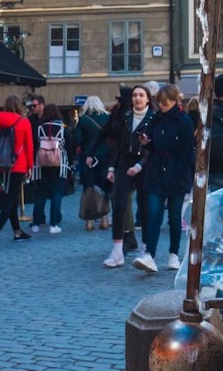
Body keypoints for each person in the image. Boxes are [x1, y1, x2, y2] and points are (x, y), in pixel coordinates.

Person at [134, 83, 195, 275]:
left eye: (165, 103)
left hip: (176, 173)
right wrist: (146, 142)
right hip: (156, 172)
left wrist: (179, 172)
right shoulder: (156, 120)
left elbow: (187, 150)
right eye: (160, 102)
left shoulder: (184, 121)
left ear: (174, 101)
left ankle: (173, 254)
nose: (162, 106)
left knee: (175, 218)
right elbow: (150, 145)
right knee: (153, 214)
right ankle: (149, 255)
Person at [102, 84, 153, 268]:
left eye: (141, 95)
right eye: (134, 95)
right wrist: (111, 168)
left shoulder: (153, 119)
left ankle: (145, 250)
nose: (137, 98)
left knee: (145, 209)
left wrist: (140, 165)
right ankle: (117, 251)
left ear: (147, 98)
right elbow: (117, 144)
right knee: (119, 205)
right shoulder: (126, 117)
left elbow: (153, 149)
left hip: (145, 165)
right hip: (124, 162)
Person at [0, 96, 32, 244]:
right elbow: (29, 146)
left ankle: (17, 232)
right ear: (19, 106)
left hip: (0, 164)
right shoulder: (24, 122)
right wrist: (30, 167)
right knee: (10, 200)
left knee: (12, 198)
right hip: (17, 165)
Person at [73, 95, 110, 230]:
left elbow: (76, 139)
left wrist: (84, 145)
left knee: (89, 187)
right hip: (105, 157)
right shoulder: (107, 118)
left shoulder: (83, 120)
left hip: (88, 157)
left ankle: (89, 221)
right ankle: (104, 219)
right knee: (104, 187)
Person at [32, 103, 69, 233]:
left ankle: (36, 223)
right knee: (56, 194)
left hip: (41, 164)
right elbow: (69, 144)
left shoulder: (39, 128)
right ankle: (53, 224)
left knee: (40, 194)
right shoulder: (62, 128)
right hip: (59, 164)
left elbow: (35, 144)